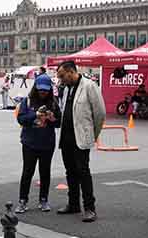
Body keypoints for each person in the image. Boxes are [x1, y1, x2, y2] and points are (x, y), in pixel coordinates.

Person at [55, 61, 105, 221]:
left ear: (71, 72)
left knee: (83, 172)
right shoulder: (66, 89)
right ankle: (73, 203)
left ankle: (90, 208)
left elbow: (100, 113)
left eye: (62, 76)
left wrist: (92, 134)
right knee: (70, 172)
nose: (61, 80)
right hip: (67, 137)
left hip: (81, 137)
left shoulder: (89, 86)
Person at [15, 74, 60, 213]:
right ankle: (23, 201)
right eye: (40, 89)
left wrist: (53, 119)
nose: (43, 92)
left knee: (45, 172)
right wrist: (35, 115)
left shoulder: (53, 103)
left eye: (46, 90)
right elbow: (21, 119)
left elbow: (59, 122)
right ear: (35, 88)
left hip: (47, 143)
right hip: (29, 143)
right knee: (27, 172)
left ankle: (44, 200)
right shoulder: (27, 101)